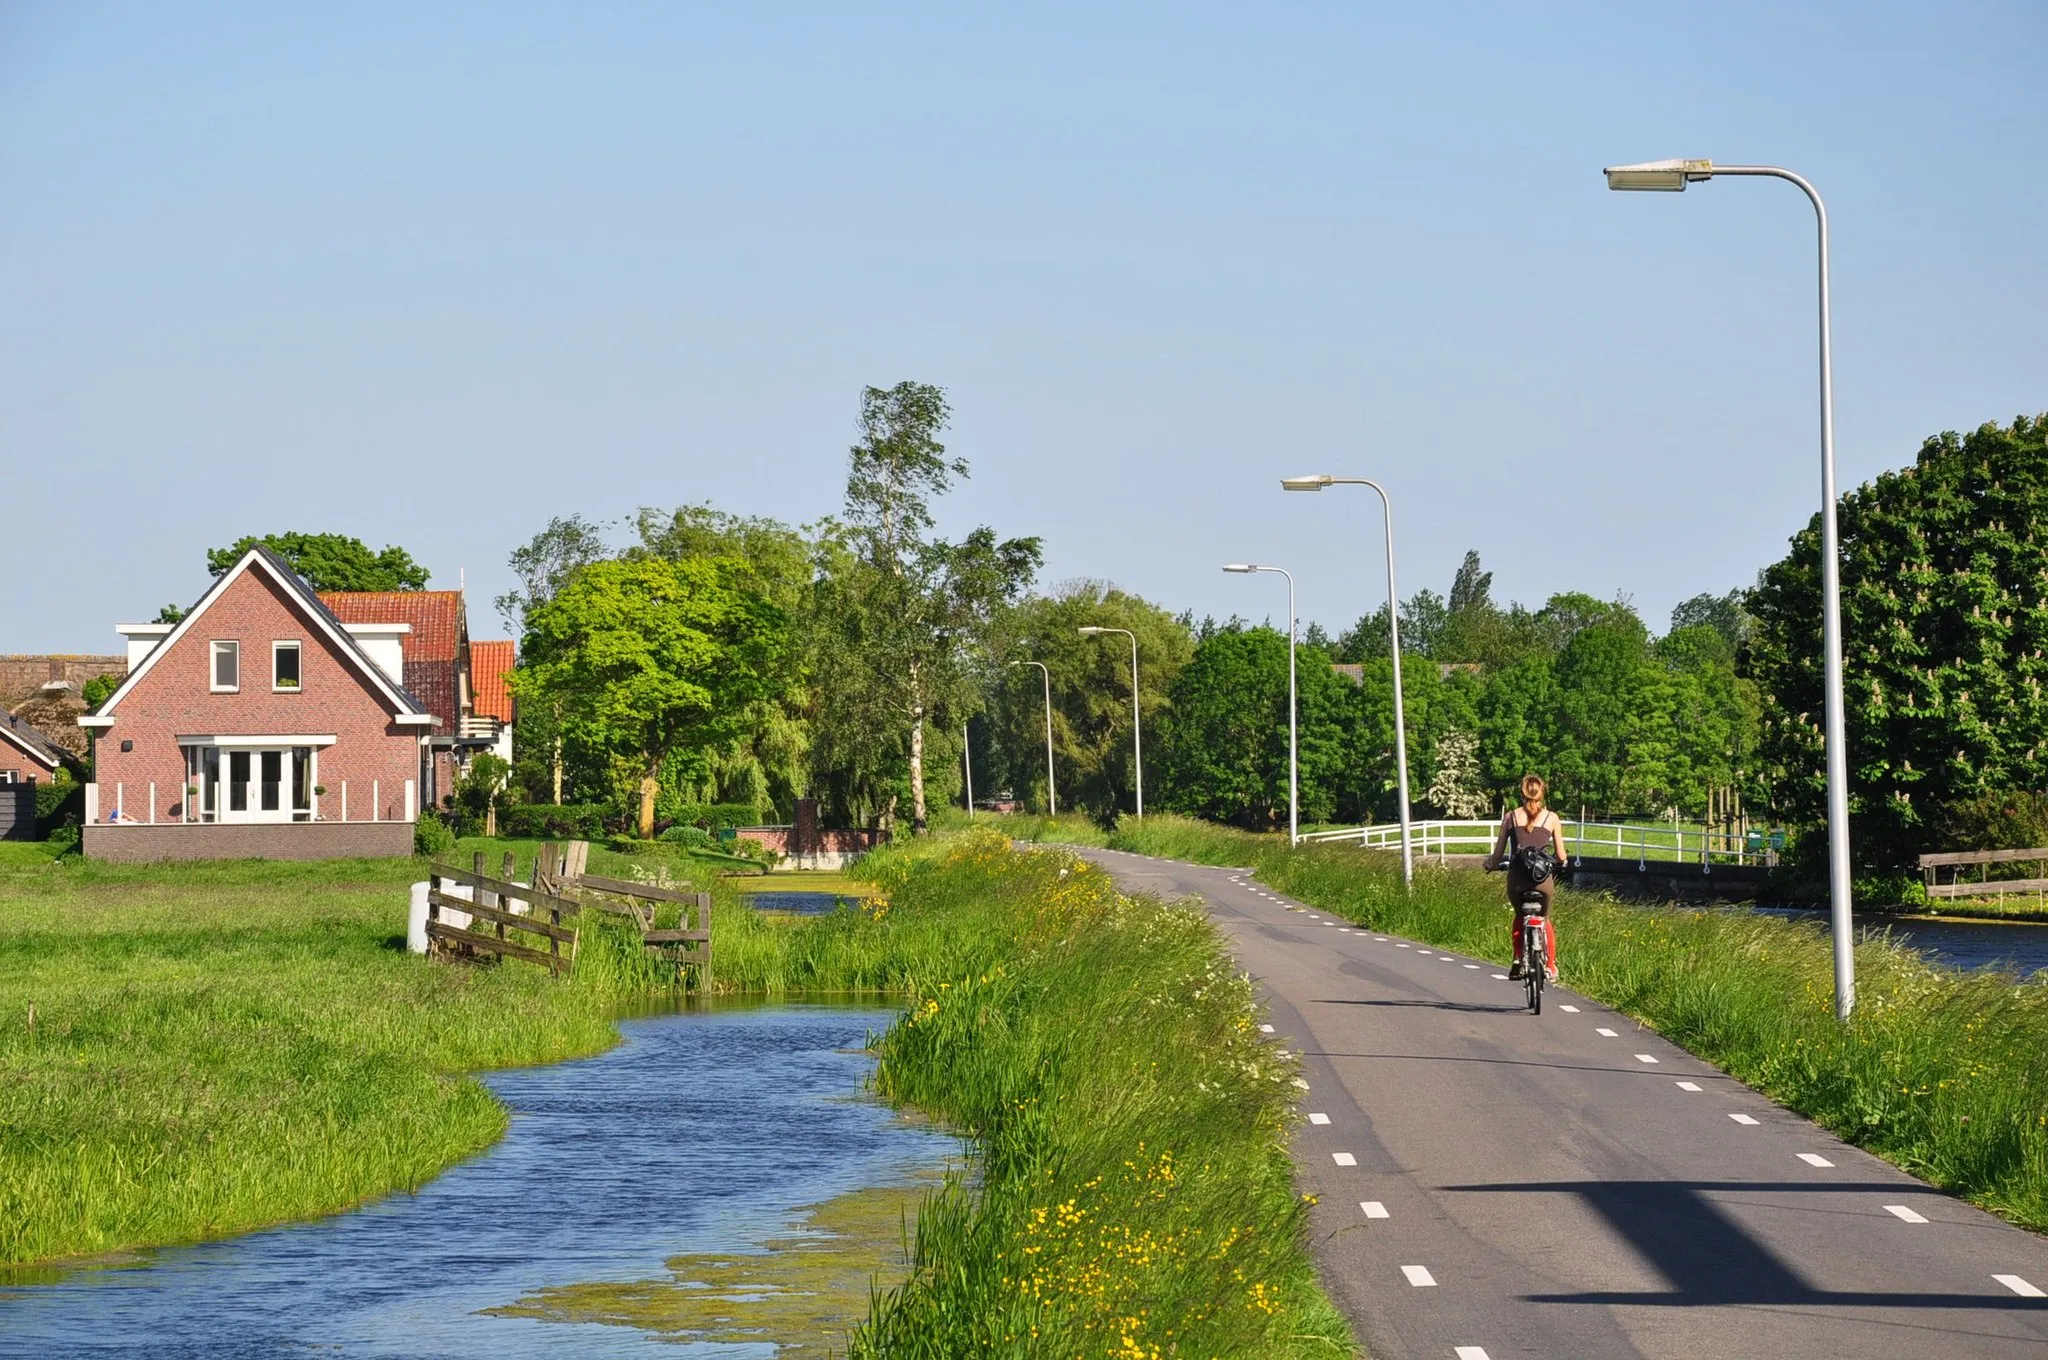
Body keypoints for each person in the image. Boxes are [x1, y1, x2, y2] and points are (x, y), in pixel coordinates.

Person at [1483, 774, 1568, 981]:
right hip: (1543, 881)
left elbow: (1497, 854)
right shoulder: (1552, 818)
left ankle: (1518, 958)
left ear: (1521, 794)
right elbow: (1561, 856)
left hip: (1517, 880)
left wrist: (1490, 865)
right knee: (1545, 918)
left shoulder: (1510, 817)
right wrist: (1561, 863)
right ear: (1542, 793)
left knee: (1520, 916)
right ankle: (1550, 965)